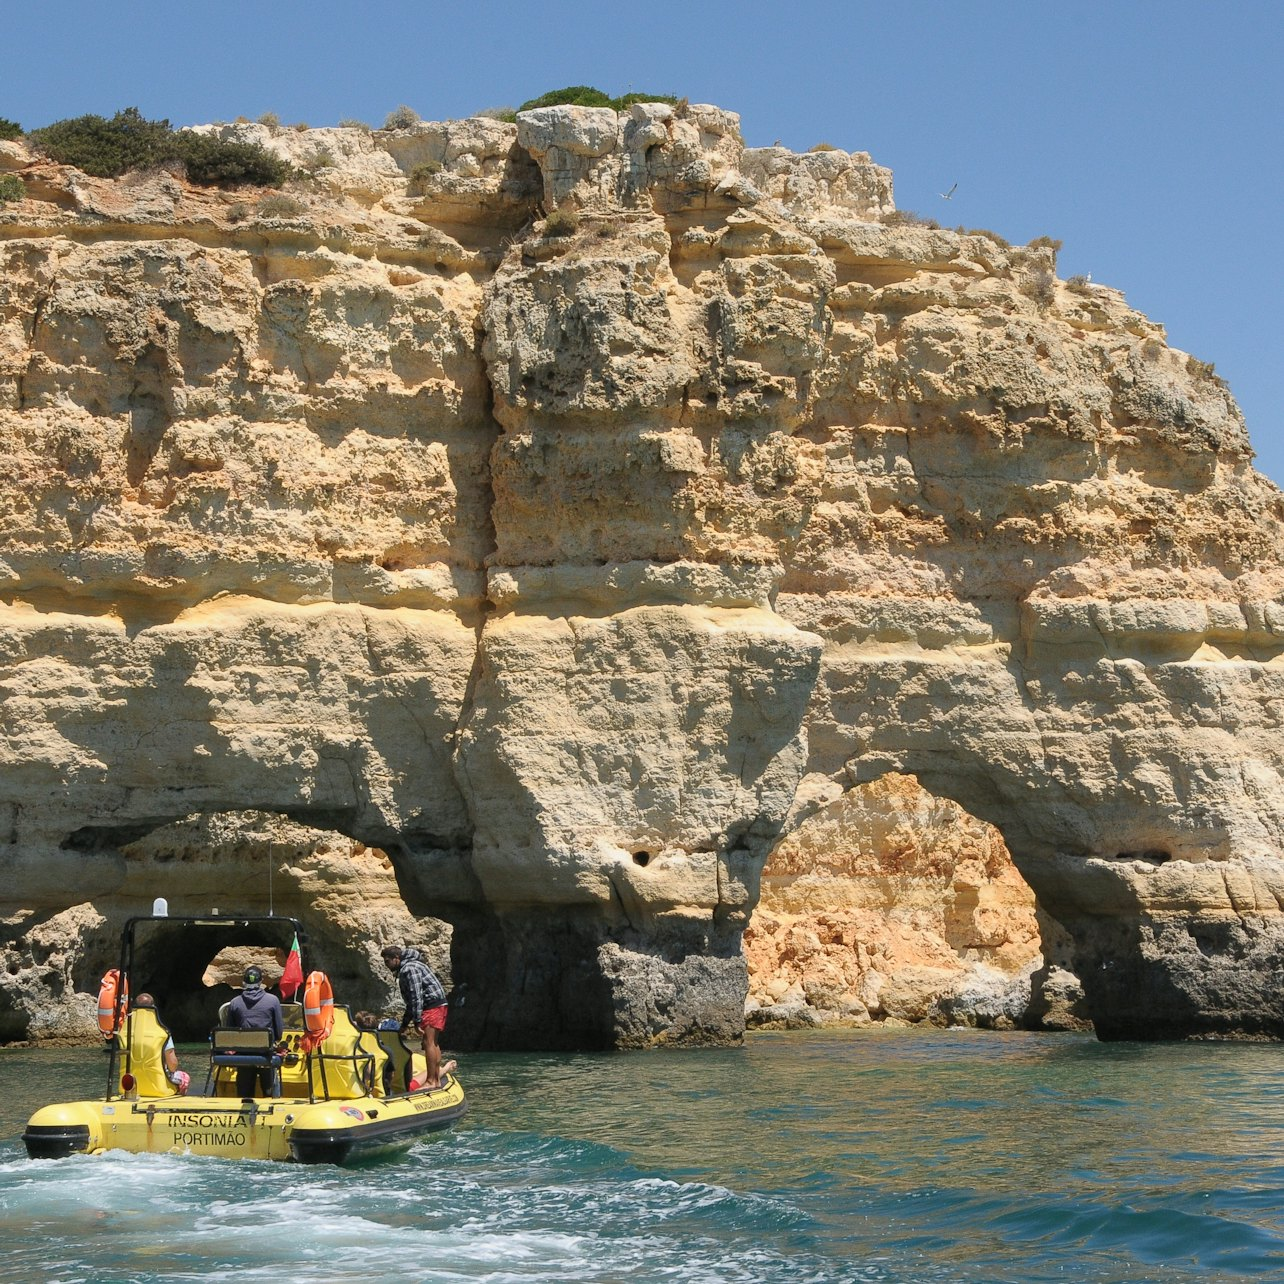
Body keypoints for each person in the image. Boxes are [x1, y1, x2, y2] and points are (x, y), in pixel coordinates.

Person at [380, 945, 453, 1089]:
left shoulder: (409, 969)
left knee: (428, 1043)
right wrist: (405, 1024)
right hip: (437, 1005)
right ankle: (436, 1079)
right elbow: (410, 1002)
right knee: (433, 1042)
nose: (386, 965)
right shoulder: (411, 966)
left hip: (431, 1006)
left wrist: (417, 1020)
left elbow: (416, 995)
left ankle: (431, 1081)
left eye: (387, 961)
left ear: (396, 958)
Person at [225, 964, 284, 1096]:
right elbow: (279, 1032)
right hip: (266, 1055)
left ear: (244, 983)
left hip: (243, 1057)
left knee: (245, 1090)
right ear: (261, 982)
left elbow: (230, 1033)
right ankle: (271, 1099)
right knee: (270, 1090)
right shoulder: (273, 1001)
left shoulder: (234, 1003)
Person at [129, 993, 189, 1095]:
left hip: (130, 1084)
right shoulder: (162, 1033)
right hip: (158, 1086)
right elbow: (172, 1065)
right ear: (153, 1009)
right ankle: (176, 1101)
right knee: (184, 1077)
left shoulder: (126, 1032)